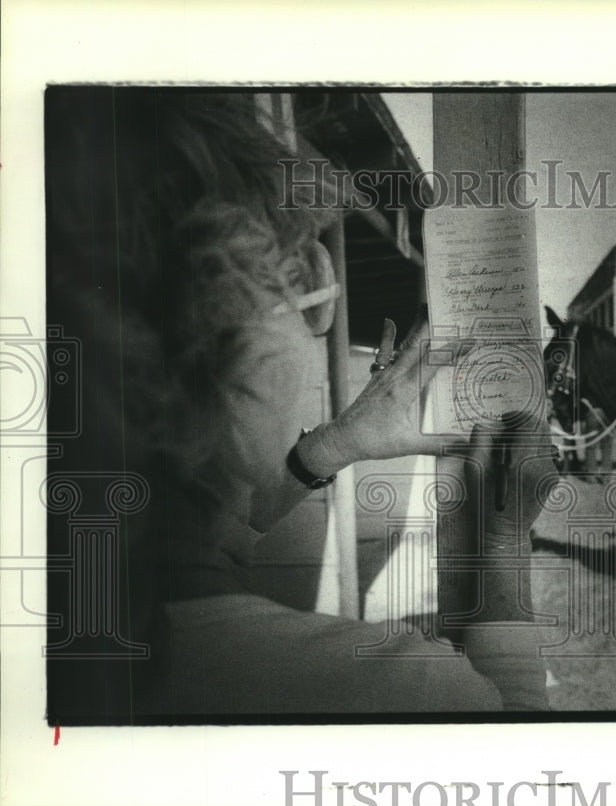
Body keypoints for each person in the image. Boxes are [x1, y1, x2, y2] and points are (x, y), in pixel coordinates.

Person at [45, 88, 554, 719]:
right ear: (241, 353)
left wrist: (331, 447)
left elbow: (203, 543)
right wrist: (501, 546)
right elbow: (524, 754)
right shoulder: (387, 692)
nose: (316, 316)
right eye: (298, 280)